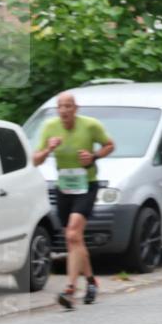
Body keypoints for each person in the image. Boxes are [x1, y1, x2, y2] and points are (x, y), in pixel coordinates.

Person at [33, 91, 114, 309]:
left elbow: (109, 145)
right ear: (57, 110)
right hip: (64, 187)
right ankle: (91, 282)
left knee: (72, 233)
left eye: (68, 106)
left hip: (87, 184)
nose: (64, 110)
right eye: (61, 106)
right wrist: (49, 148)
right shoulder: (50, 128)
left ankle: (70, 289)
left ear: (75, 109)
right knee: (75, 239)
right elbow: (35, 160)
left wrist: (94, 156)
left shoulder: (90, 126)